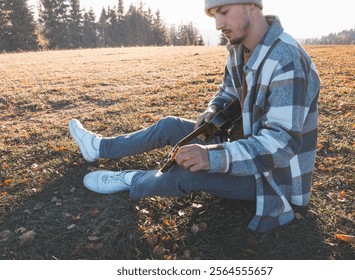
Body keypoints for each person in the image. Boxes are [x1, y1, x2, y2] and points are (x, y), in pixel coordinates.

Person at [68, 0, 320, 232]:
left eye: (223, 12)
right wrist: (212, 111)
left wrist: (212, 156)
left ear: (251, 5)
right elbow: (228, 91)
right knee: (169, 126)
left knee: (188, 172)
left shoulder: (286, 59)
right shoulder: (239, 46)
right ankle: (100, 147)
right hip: (243, 145)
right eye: (213, 15)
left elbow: (281, 143)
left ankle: (132, 179)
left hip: (272, 178)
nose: (218, 24)